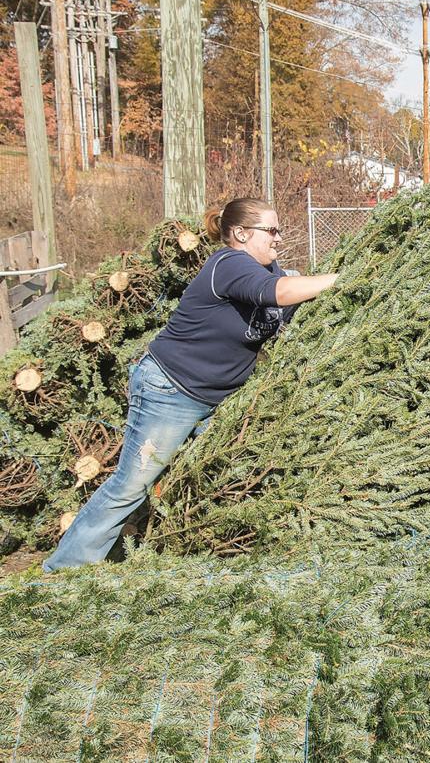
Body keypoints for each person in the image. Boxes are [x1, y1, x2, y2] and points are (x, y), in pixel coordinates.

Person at [44, 198, 338, 572]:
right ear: (241, 234)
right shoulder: (229, 264)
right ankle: (63, 571)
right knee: (131, 485)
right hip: (171, 391)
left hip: (217, 398)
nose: (278, 238)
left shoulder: (266, 267)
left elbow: (287, 296)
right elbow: (277, 294)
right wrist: (339, 280)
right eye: (272, 231)